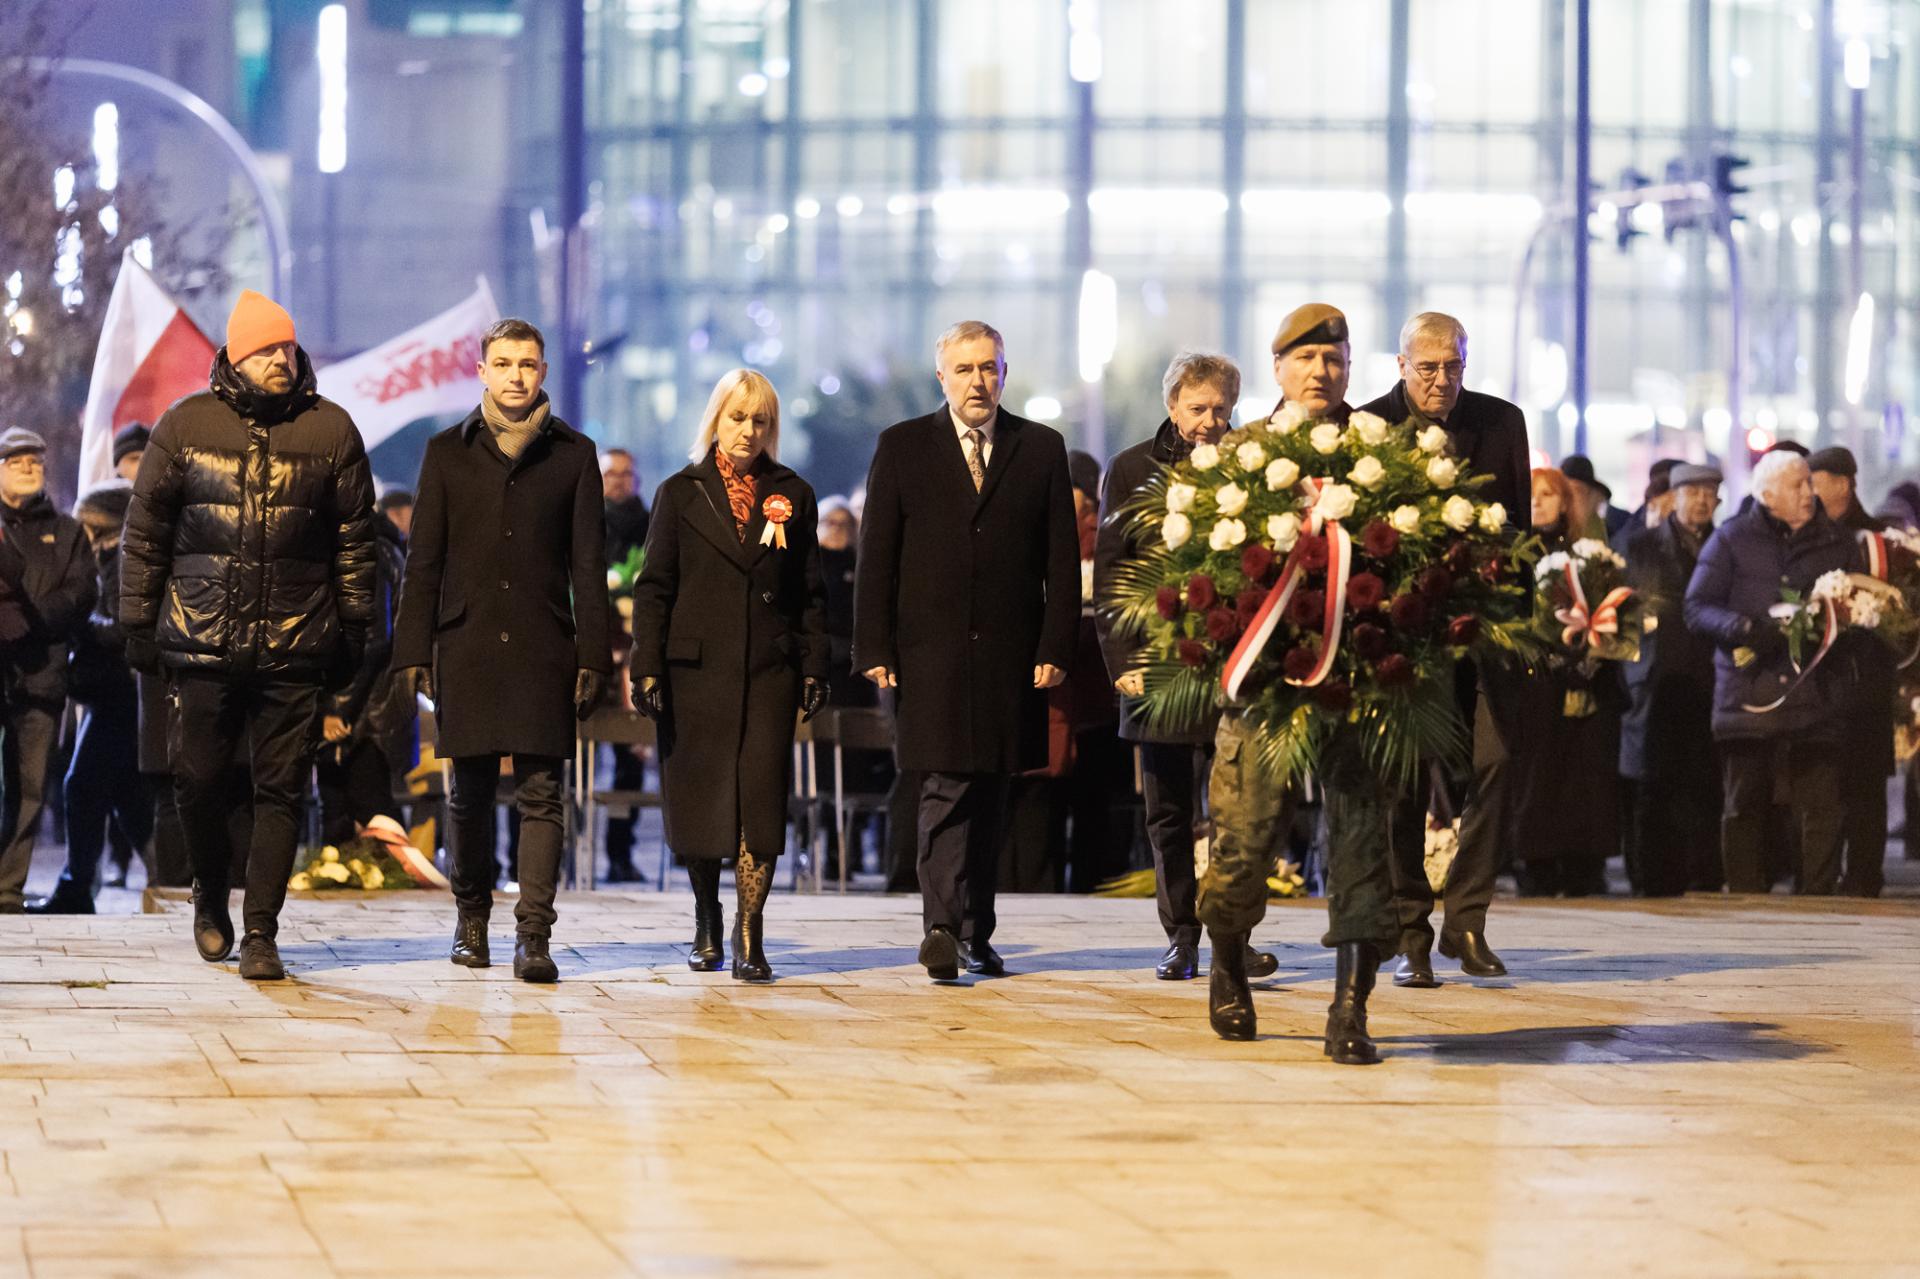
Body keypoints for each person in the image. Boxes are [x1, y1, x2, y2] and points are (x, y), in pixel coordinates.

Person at [119, 289, 375, 977]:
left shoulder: (333, 431)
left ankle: (261, 929)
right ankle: (208, 892)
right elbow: (144, 537)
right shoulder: (184, 426)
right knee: (198, 780)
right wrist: (138, 622)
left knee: (281, 788)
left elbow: (356, 546)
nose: (278, 360)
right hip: (201, 641)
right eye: (264, 349)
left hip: (296, 643)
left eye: (286, 348)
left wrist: (355, 629)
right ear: (235, 355)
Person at [1201, 302, 1400, 1063]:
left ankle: (1350, 1008)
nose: (1324, 371)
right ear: (1279, 366)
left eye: (1337, 358)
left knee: (1359, 845)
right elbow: (1208, 572)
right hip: (1263, 684)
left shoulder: (1384, 453)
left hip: (1358, 685)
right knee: (1244, 841)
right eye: (1308, 359)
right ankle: (1227, 959)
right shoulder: (1241, 454)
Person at [854, 319, 1079, 982]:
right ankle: (943, 927)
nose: (978, 380)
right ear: (942, 375)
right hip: (929, 656)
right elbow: (877, 554)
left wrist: (1055, 642)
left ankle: (976, 930)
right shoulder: (902, 446)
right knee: (945, 785)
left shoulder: (1039, 448)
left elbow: (1060, 561)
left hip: (1012, 656)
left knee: (993, 796)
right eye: (965, 368)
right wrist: (874, 645)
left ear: (1004, 373)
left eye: (989, 367)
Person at [391, 317, 610, 984]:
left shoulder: (574, 454)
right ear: (482, 371)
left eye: (529, 363)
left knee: (545, 793)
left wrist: (594, 655)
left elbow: (588, 568)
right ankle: (472, 921)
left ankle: (534, 936)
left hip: (545, 643)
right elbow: (422, 562)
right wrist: (411, 651)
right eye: (505, 362)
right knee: (471, 792)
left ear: (543, 373)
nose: (517, 374)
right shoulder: (446, 452)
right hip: (468, 641)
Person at [630, 370, 828, 981]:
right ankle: (707, 921)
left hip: (768, 671)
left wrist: (814, 663)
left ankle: (751, 933)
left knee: (760, 802)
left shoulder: (793, 494)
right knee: (702, 802)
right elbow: (654, 587)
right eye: (738, 417)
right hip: (694, 675)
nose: (749, 430)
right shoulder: (678, 492)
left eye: (760, 420)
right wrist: (646, 664)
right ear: (716, 418)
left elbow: (810, 593)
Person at [1094, 350, 1280, 982]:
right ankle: (1180, 936)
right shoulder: (1128, 468)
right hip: (1156, 666)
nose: (1209, 421)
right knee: (1169, 812)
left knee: (1237, 811)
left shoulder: (1250, 464)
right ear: (1171, 405)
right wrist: (1121, 661)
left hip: (1233, 666)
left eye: (1221, 409)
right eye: (1197, 409)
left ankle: (1233, 932)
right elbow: (1113, 573)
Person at [1360, 312, 1531, 987]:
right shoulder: (1368, 424)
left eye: (1453, 365)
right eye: (1428, 367)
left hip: (1482, 628)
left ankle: (1467, 918)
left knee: (1496, 760)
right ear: (1401, 364)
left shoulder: (1502, 421)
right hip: (1403, 634)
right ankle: (1411, 931)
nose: (1442, 379)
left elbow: (1517, 524)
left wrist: (1514, 613)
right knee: (1402, 782)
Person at [1684, 450, 1858, 894]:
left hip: (1816, 696)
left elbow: (1855, 606)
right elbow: (1697, 606)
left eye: (1809, 484)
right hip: (1748, 695)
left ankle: (1817, 900)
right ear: (1767, 494)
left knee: (1820, 807)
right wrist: (1741, 628)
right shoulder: (1730, 539)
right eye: (1797, 485)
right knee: (1744, 806)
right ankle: (1745, 898)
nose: (1808, 493)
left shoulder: (1835, 543)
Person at [29, 482, 146, 912]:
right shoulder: (110, 559)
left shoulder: (122, 562)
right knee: (125, 794)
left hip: (119, 692)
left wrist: (79, 620)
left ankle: (77, 888)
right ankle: (170, 876)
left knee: (83, 785)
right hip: (114, 693)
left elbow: (121, 629)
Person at [1505, 468, 1620, 897]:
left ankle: (1583, 863)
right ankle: (1534, 862)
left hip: (1586, 679)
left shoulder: (1589, 552)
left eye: (1547, 495)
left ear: (1564, 501)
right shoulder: (1516, 552)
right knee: (1538, 774)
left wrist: (1596, 652)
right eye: (1531, 495)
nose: (1538, 503)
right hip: (1536, 682)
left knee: (1584, 774)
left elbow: (1613, 608)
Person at [0, 428, 98, 913]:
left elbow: (82, 593)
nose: (27, 466)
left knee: (30, 787)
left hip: (41, 675)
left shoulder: (66, 531)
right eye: (15, 459)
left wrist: (30, 619)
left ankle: (8, 889)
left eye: (34, 460)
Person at [1620, 463, 1723, 896]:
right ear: (1673, 497)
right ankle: (1652, 876)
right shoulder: (1640, 548)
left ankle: (1704, 873)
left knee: (1704, 784)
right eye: (1692, 492)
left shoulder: (1726, 544)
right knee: (1653, 782)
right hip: (1656, 681)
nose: (1701, 500)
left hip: (1711, 680)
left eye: (1709, 492)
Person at [1809, 445, 1890, 896]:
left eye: (1815, 482)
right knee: (1825, 787)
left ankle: (1863, 875)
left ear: (1841, 484)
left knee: (1864, 786)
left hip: (1866, 682)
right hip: (1822, 682)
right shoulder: (1808, 535)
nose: (1809, 492)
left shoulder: (1877, 542)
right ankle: (1820, 874)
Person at [316, 497, 411, 846]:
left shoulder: (366, 551)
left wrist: (336, 709)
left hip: (363, 714)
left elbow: (372, 640)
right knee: (359, 813)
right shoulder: (383, 545)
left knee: (366, 815)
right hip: (372, 708)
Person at [1562, 455, 1628, 540]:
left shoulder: (1613, 530)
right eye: (1564, 491)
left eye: (1577, 490)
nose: (1569, 498)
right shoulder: (1548, 533)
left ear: (1591, 495)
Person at [602, 447, 650, 565]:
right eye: (610, 474)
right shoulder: (584, 525)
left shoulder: (653, 525)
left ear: (637, 480)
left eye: (626, 473)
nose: (618, 481)